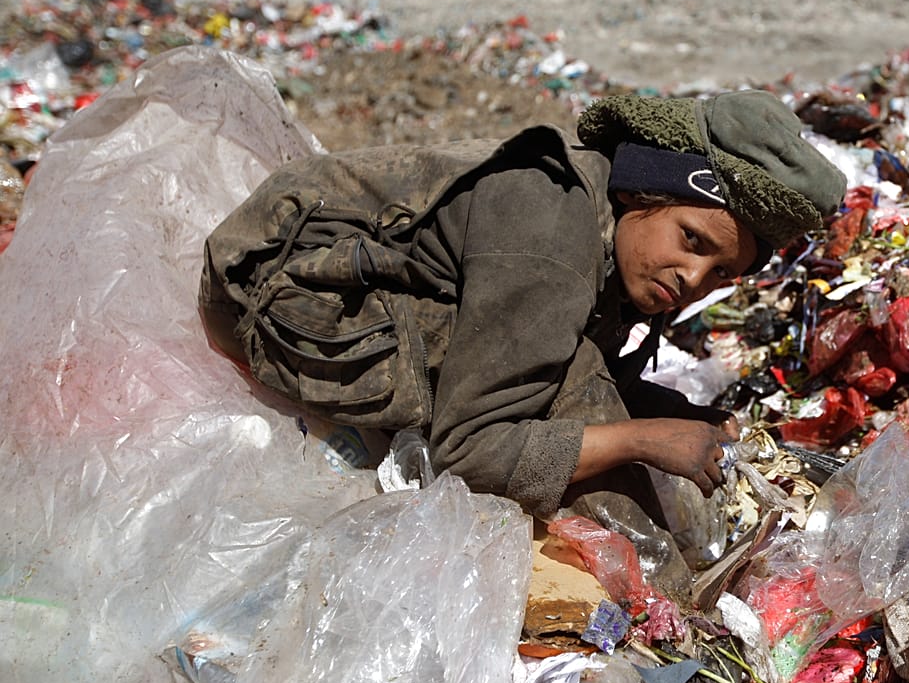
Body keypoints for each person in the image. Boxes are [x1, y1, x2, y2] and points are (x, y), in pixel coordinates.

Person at [199, 89, 846, 519]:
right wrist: (643, 439)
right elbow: (469, 453)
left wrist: (675, 415)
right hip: (285, 301)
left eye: (720, 273)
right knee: (578, 390)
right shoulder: (551, 229)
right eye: (691, 240)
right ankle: (665, 617)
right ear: (643, 196)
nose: (693, 277)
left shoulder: (613, 237)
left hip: (349, 295)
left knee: (588, 384)